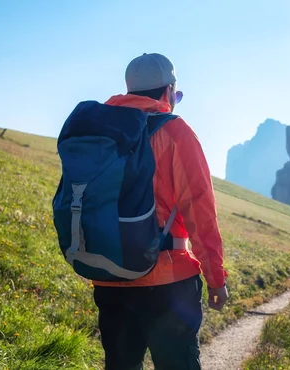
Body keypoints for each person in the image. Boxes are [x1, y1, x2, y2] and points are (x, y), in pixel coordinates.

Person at [91, 53, 229, 370]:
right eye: (176, 94)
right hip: (167, 281)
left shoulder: (100, 134)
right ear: (168, 92)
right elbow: (200, 212)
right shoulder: (176, 132)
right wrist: (216, 279)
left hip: (109, 277)